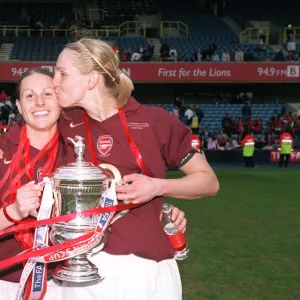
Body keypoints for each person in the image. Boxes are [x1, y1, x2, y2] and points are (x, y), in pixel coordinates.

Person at [52, 37, 219, 300]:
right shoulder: (63, 123)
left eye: (62, 73)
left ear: (92, 80)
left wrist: (158, 188)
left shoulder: (154, 120)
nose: (55, 81)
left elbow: (208, 182)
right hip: (79, 268)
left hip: (145, 267)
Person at [0, 68, 188, 300]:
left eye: (48, 94)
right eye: (29, 95)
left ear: (61, 101)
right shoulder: (3, 151)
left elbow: (112, 199)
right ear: (18, 106)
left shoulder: (81, 150)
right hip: (7, 282)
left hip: (69, 283)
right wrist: (13, 212)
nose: (39, 102)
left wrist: (156, 212)